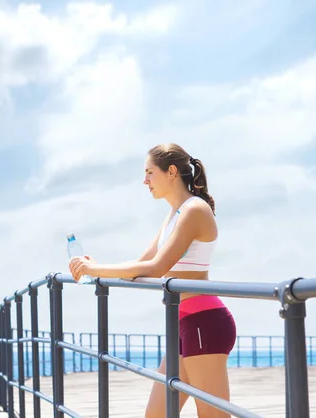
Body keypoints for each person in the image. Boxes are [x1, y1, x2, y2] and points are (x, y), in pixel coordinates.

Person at [68, 143, 236, 418]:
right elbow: (142, 262)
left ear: (171, 172)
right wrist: (96, 267)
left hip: (204, 322)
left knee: (213, 416)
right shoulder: (174, 214)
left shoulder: (194, 210)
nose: (144, 180)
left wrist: (93, 270)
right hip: (182, 323)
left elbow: (157, 267)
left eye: (149, 172)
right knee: (156, 415)